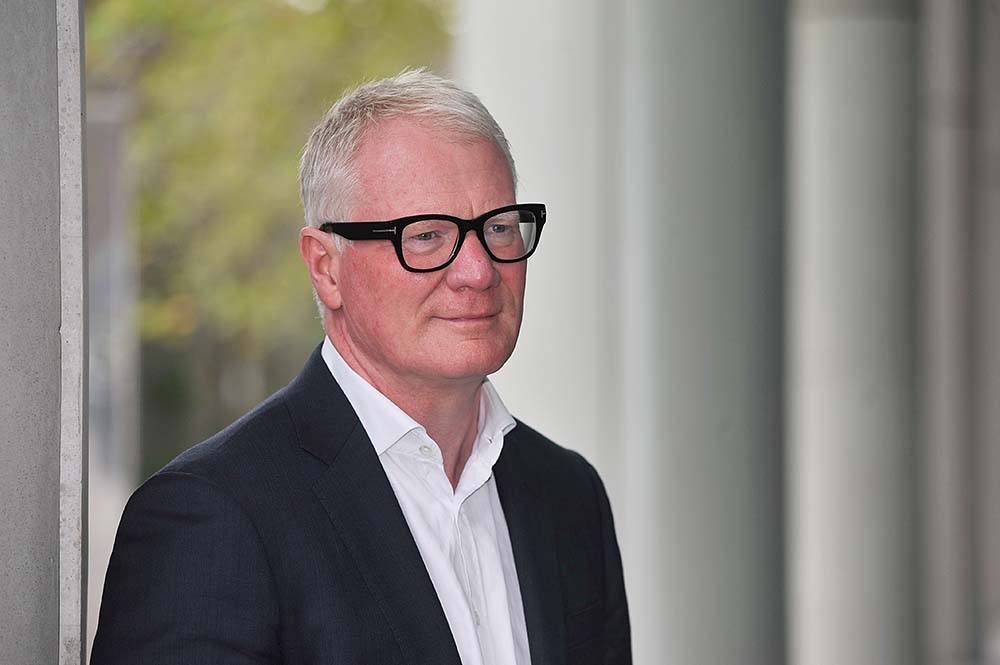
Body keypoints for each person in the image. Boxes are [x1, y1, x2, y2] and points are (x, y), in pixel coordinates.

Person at [91, 69, 630, 665]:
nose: (478, 271)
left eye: (498, 228)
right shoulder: (212, 517)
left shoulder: (568, 496)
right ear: (326, 267)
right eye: (426, 236)